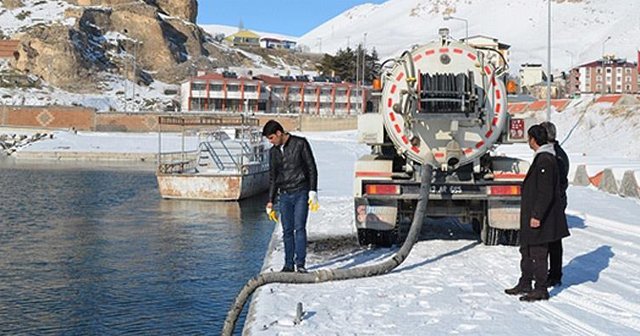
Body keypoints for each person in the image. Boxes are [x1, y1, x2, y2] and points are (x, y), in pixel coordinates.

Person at [505, 125, 569, 302]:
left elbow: (545, 192)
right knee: (526, 248)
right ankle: (525, 281)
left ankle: (540, 288)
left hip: (540, 215)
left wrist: (537, 215)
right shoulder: (543, 157)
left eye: (528, 138)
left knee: (538, 252)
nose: (527, 141)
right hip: (532, 213)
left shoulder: (546, 160)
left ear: (533, 139)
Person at [262, 120, 319, 273]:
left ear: (279, 133)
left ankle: (300, 264)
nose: (271, 141)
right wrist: (270, 201)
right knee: (287, 230)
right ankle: (288, 265)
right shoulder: (273, 152)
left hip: (301, 191)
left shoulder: (300, 144)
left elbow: (311, 168)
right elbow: (273, 177)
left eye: (272, 138)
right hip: (285, 195)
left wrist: (312, 191)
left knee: (299, 228)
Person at [540, 121, 570, 287]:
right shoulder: (557, 153)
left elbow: (558, 182)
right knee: (553, 239)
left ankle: (554, 274)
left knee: (553, 240)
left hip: (555, 201)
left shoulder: (555, 155)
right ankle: (553, 273)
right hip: (557, 200)